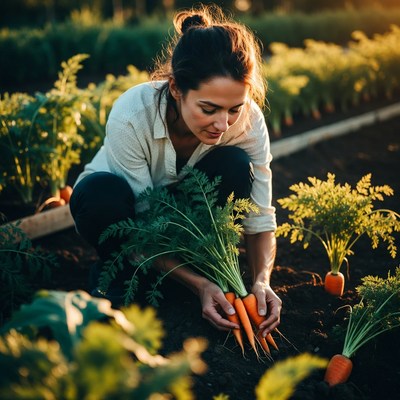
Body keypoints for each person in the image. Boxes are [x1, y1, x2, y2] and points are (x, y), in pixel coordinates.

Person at [70, 4, 281, 338]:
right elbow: (142, 228)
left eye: (234, 109)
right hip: (126, 216)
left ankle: (185, 271)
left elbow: (259, 217)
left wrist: (260, 282)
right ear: (176, 89)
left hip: (183, 226)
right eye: (208, 109)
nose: (223, 124)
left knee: (236, 166)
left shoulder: (249, 121)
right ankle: (120, 274)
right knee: (99, 197)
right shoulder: (131, 114)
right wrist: (198, 284)